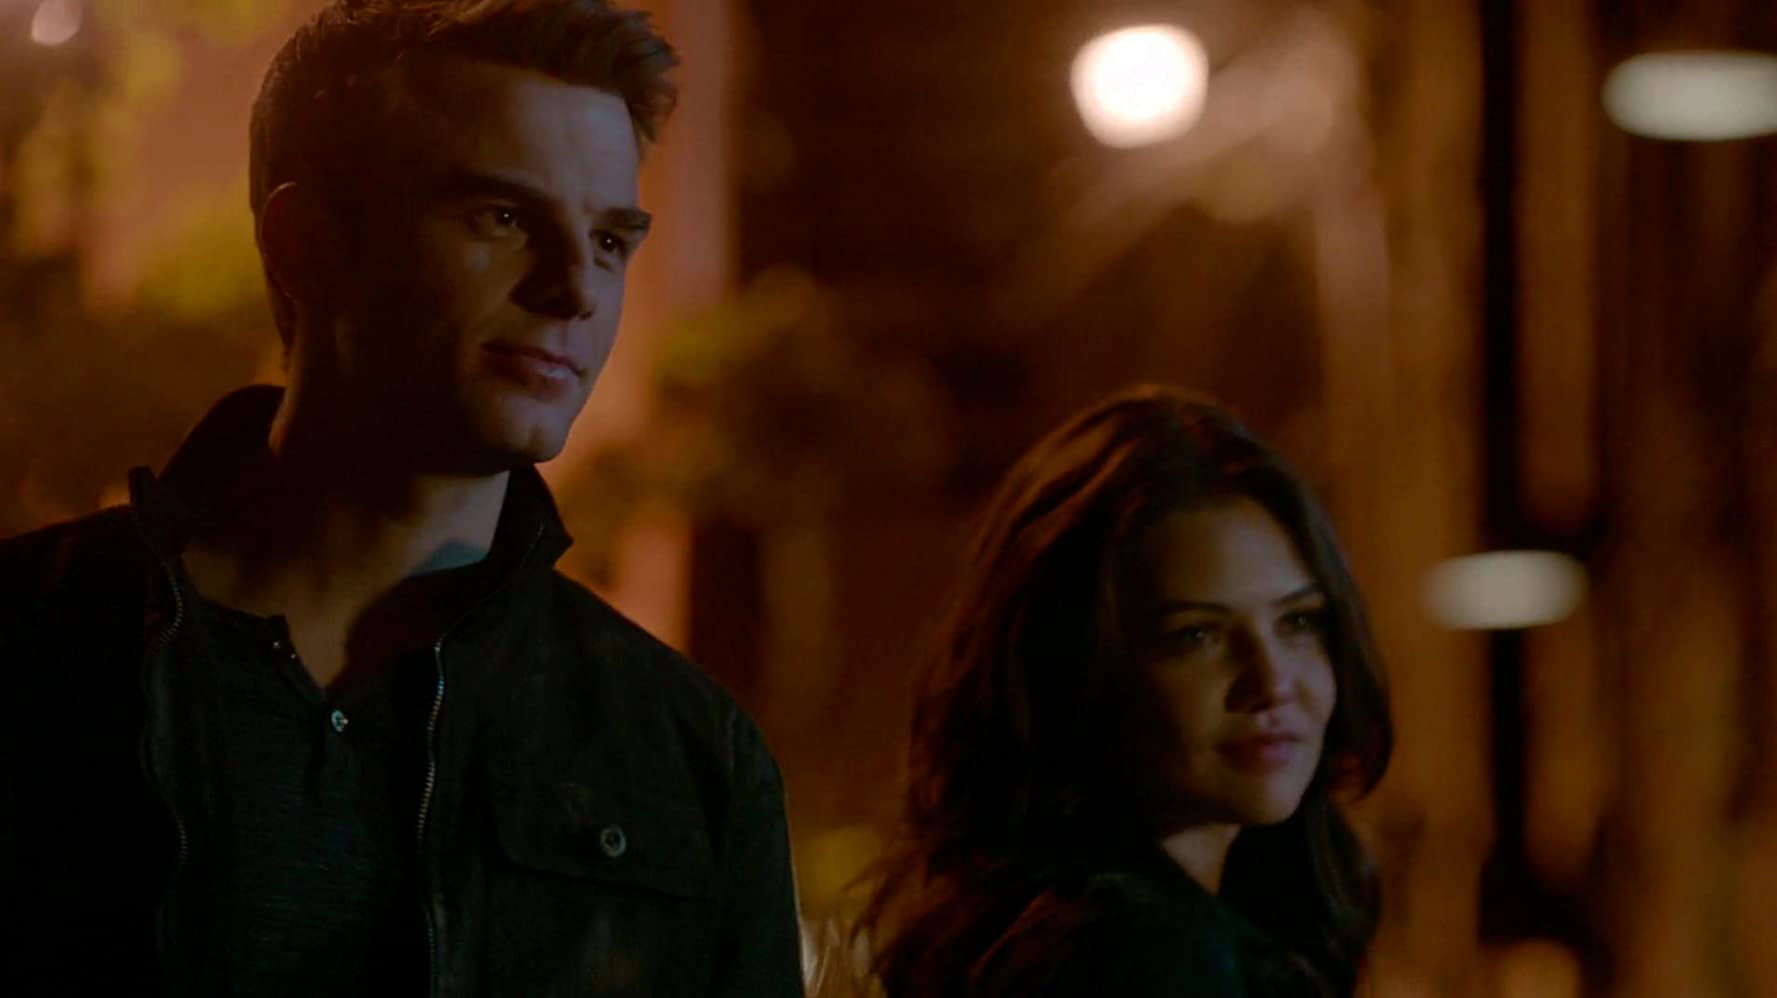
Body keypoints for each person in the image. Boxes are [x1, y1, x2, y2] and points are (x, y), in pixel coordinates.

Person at [0, 2, 803, 994]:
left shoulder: (684, 758)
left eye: (607, 240)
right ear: (305, 244)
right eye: (502, 217)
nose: (574, 290)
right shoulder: (34, 642)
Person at [854, 385, 1393, 997]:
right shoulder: (1136, 954)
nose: (1272, 682)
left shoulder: (1159, 924)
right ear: (1074, 666)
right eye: (1196, 636)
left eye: (1297, 622)